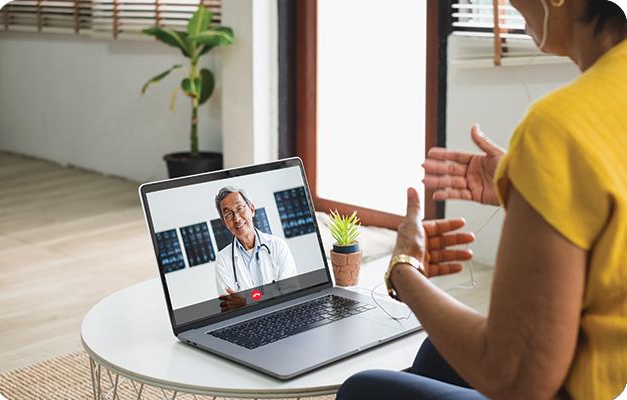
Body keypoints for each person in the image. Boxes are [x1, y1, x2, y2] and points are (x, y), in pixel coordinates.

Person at [337, 0, 627, 399]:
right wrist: (532, 185)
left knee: (363, 390)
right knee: (436, 354)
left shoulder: (560, 125)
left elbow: (514, 377)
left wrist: (403, 270)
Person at [214, 186, 297, 311]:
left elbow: (291, 294)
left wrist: (246, 302)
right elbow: (230, 308)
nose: (236, 218)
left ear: (251, 209)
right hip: (248, 326)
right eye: (228, 215)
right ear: (225, 223)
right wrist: (271, 297)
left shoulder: (277, 245)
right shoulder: (222, 260)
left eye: (240, 209)